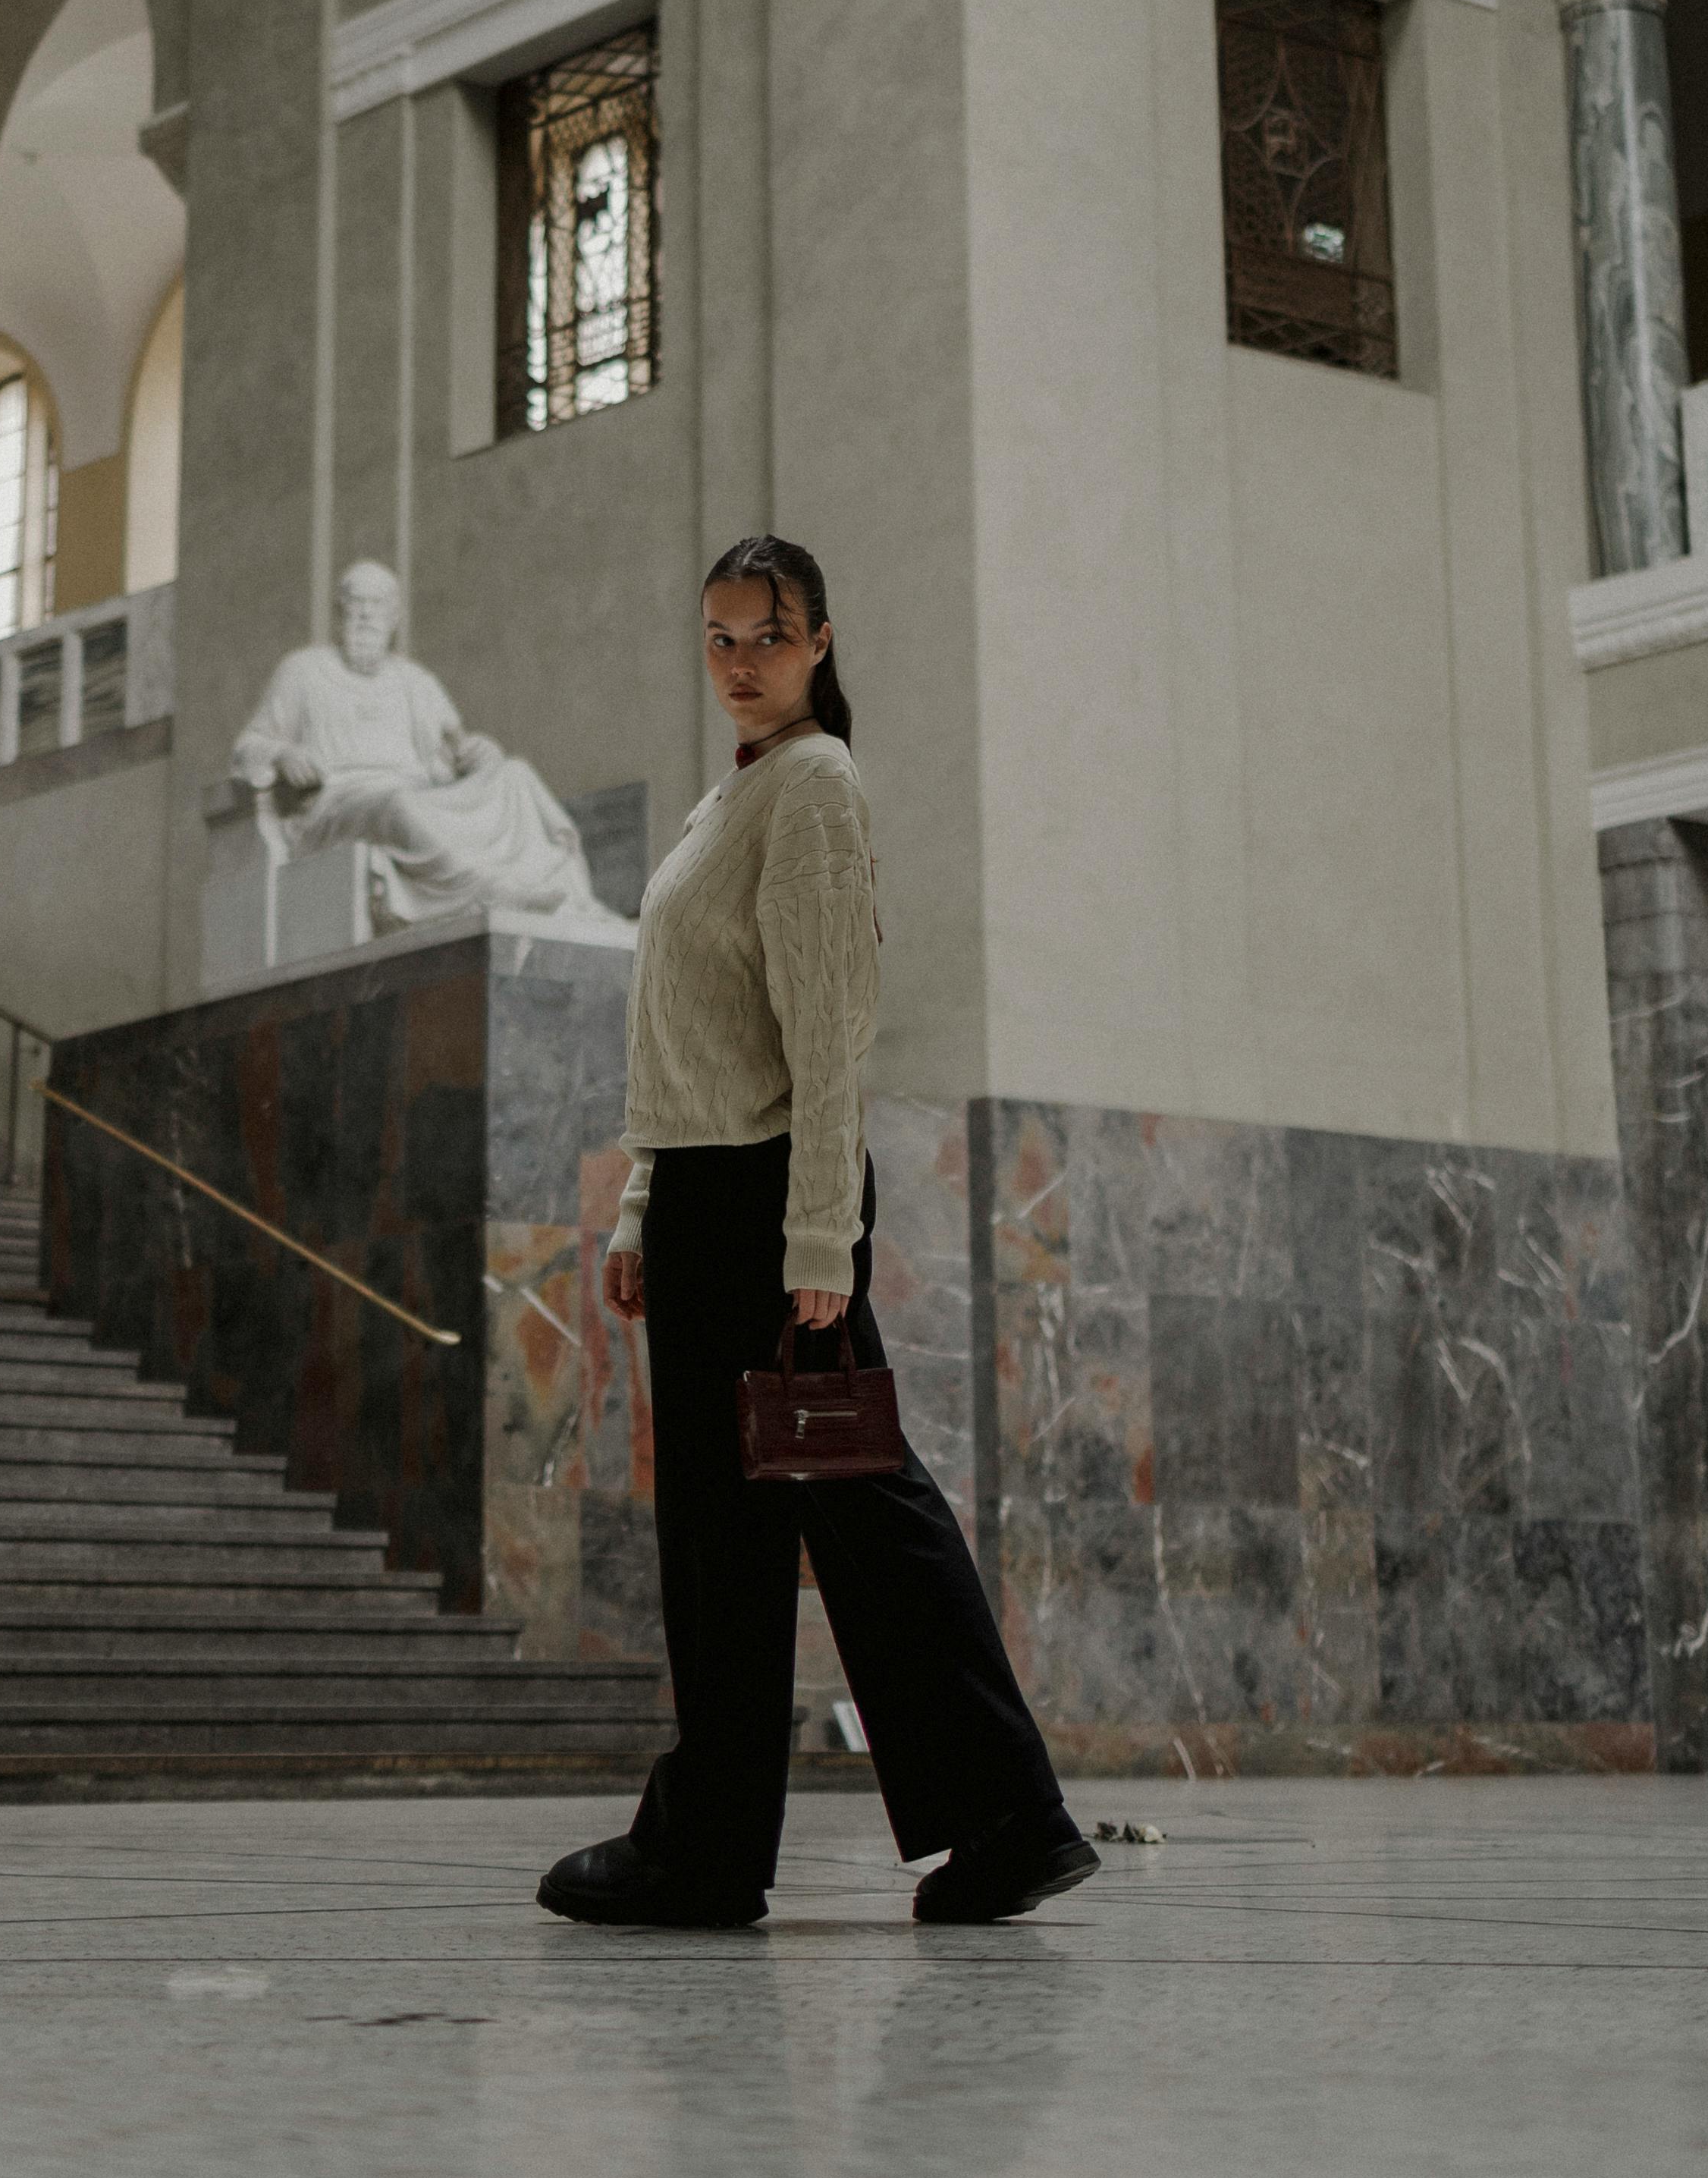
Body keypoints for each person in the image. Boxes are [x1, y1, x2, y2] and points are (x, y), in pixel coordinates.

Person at [538, 535, 1097, 1932]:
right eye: (719, 637)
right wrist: (641, 1203)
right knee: (759, 1527)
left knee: (853, 1509)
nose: (739, 662)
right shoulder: (733, 800)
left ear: (821, 642)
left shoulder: (813, 791)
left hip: (771, 1204)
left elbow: (829, 1044)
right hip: (710, 1194)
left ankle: (948, 1822)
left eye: (766, 637)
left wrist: (813, 1249)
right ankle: (743, 1840)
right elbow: (693, 1038)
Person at [230, 560, 631, 941]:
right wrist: (282, 754)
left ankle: (567, 893)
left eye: (378, 605)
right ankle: (482, 890)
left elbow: (458, 745)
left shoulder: (414, 681)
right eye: (357, 604)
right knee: (399, 804)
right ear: (339, 614)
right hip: (337, 806)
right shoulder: (303, 671)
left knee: (515, 775)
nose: (367, 615)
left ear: (394, 619)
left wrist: (481, 751)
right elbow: (249, 745)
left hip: (420, 794)